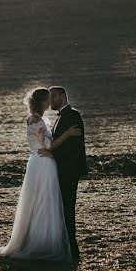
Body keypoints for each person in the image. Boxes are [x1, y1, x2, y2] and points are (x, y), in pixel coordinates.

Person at [0, 87, 80, 262]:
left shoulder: (35, 118)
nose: (52, 101)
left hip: (37, 162)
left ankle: (39, 239)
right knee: (44, 201)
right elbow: (48, 147)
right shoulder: (39, 121)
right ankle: (43, 242)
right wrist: (68, 134)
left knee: (38, 201)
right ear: (43, 102)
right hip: (43, 164)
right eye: (49, 98)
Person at [38, 86, 87, 259]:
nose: (50, 101)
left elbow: (72, 147)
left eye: (53, 97)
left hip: (69, 170)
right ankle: (67, 246)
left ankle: (73, 249)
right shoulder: (60, 117)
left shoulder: (73, 115)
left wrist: (51, 153)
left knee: (67, 209)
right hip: (63, 169)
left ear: (63, 96)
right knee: (63, 209)